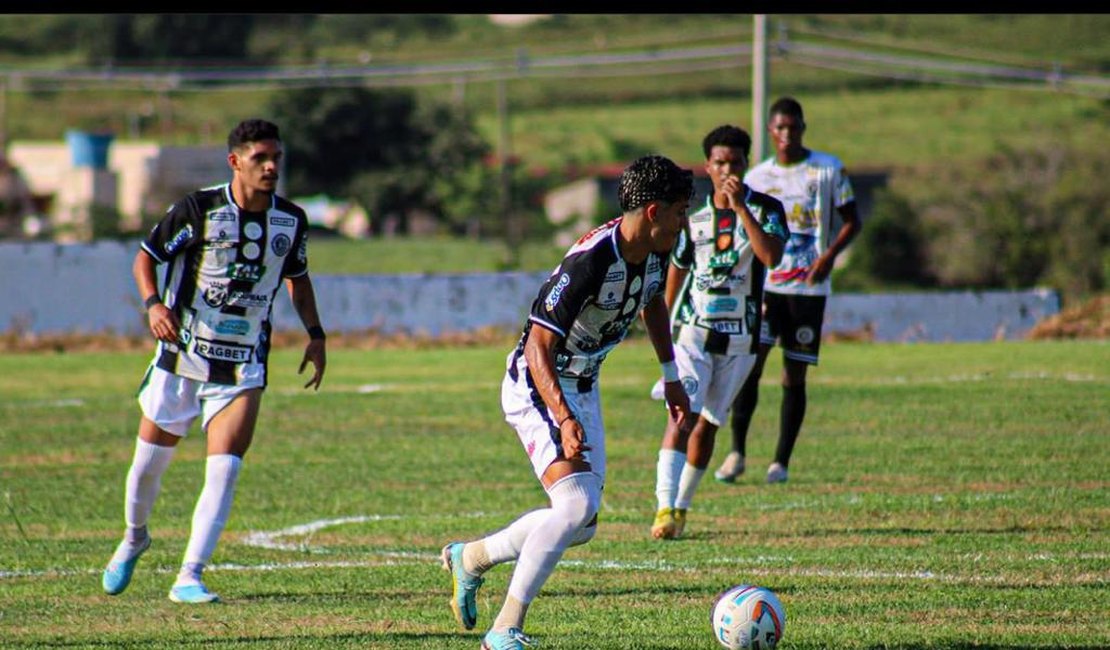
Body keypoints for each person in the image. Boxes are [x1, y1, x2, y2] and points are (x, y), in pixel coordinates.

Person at [440, 154, 695, 650]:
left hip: (582, 385)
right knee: (575, 506)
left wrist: (671, 376)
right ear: (652, 212)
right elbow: (538, 343)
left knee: (580, 524)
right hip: (538, 383)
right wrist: (562, 415)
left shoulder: (660, 248)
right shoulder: (592, 260)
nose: (685, 221)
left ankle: (469, 558)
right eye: (680, 210)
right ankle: (505, 628)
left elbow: (652, 301)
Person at [101, 118, 327, 604]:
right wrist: (153, 305)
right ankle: (135, 535)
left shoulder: (290, 220)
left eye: (276, 159)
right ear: (235, 162)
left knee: (224, 469)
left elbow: (298, 278)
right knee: (146, 470)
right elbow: (146, 257)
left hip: (243, 364)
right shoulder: (197, 209)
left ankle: (190, 574)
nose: (270, 167)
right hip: (181, 359)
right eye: (260, 159)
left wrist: (315, 334)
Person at [650, 125, 787, 540]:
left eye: (736, 162)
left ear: (747, 165)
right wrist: (666, 327)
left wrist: (742, 208)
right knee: (682, 415)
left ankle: (682, 509)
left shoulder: (766, 210)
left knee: (709, 424)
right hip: (693, 333)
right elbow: (676, 274)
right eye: (720, 162)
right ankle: (662, 507)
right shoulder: (691, 221)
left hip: (742, 337)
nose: (728, 169)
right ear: (707, 166)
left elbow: (772, 257)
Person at [715, 96, 861, 485]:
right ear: (770, 131)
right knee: (750, 367)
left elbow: (852, 221)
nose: (786, 134)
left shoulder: (827, 169)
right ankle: (737, 452)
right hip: (767, 290)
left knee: (793, 376)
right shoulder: (758, 177)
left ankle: (780, 461)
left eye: (793, 127)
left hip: (808, 292)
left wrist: (828, 257)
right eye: (779, 128)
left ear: (802, 128)